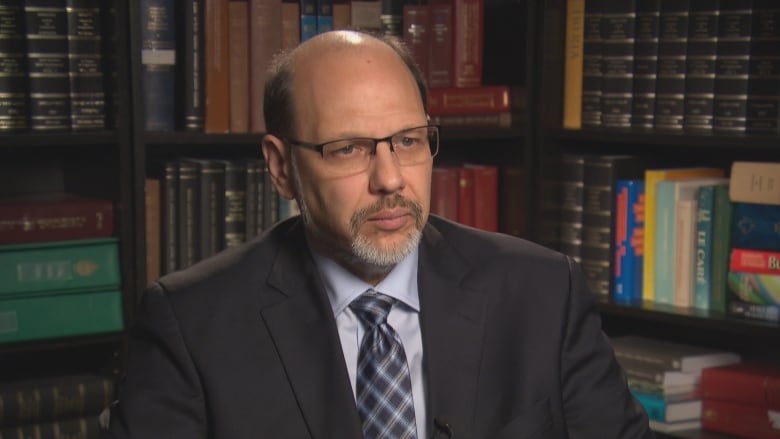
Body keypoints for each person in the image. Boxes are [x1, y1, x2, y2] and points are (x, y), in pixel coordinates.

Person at [105, 30, 654, 438]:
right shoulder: (191, 324)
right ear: (279, 167)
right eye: (348, 149)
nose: (390, 180)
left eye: (409, 141)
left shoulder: (542, 292)